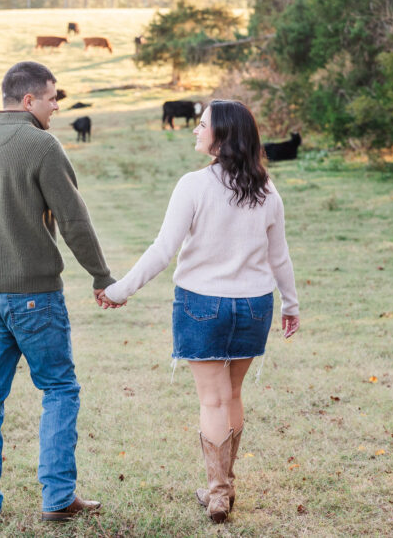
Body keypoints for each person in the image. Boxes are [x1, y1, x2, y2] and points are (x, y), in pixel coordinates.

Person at [97, 99, 300, 524]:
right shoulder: (266, 189)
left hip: (201, 304)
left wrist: (120, 290)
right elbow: (280, 257)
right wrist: (291, 304)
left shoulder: (193, 185)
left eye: (202, 124)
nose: (195, 129)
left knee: (213, 400)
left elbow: (163, 251)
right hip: (254, 305)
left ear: (221, 136)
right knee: (234, 395)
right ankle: (222, 488)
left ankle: (217, 493)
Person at [0, 61, 123, 525]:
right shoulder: (41, 145)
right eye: (52, 98)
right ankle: (58, 498)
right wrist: (101, 275)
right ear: (28, 101)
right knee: (59, 389)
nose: (57, 106)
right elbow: (75, 222)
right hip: (34, 297)